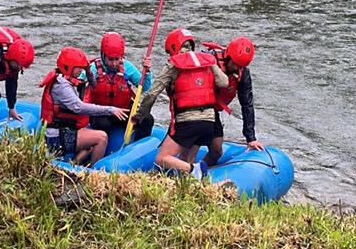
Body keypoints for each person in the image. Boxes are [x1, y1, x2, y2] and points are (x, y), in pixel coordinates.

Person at [131, 28, 229, 178]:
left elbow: (151, 94)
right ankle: (189, 184)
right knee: (185, 160)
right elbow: (224, 82)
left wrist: (140, 116)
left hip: (187, 122)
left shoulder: (173, 64)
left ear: (173, 48)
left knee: (162, 159)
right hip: (209, 121)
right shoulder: (206, 60)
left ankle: (196, 170)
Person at [40, 46, 128, 165]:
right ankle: (93, 171)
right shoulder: (61, 86)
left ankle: (74, 164)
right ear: (68, 67)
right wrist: (110, 110)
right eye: (78, 68)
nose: (81, 71)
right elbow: (79, 107)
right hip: (56, 135)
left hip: (66, 129)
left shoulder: (67, 80)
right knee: (101, 137)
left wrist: (88, 72)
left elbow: (93, 86)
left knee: (91, 139)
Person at [202, 36, 265, 169]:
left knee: (217, 151)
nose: (237, 68)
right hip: (194, 107)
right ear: (228, 56)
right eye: (235, 64)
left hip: (211, 110)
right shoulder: (208, 60)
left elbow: (247, 104)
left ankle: (198, 172)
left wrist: (251, 138)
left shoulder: (243, 74)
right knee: (192, 142)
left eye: (241, 66)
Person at [84, 31, 153, 142]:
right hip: (100, 113)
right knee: (103, 124)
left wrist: (147, 72)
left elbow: (145, 88)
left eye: (117, 59)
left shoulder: (127, 67)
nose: (114, 64)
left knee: (147, 119)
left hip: (122, 112)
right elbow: (77, 85)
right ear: (103, 55)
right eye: (110, 59)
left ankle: (137, 149)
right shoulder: (92, 69)